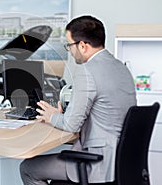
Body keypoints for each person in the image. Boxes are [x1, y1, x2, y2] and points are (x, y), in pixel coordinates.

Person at [20, 15, 137, 184]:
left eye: (69, 45)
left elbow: (70, 125)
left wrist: (51, 116)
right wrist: (59, 115)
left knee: (28, 169)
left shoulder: (87, 71)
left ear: (82, 45)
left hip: (96, 162)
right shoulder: (121, 68)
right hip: (121, 160)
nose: (70, 50)